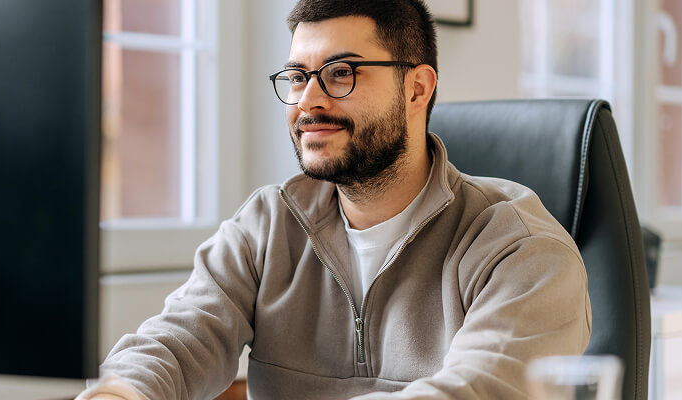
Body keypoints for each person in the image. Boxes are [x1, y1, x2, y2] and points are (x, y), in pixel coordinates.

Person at [78, 0, 591, 398]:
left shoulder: (520, 247)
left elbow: (477, 391)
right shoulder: (268, 224)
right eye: (299, 76)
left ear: (417, 90)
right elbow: (178, 341)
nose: (308, 101)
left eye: (341, 73)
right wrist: (120, 393)